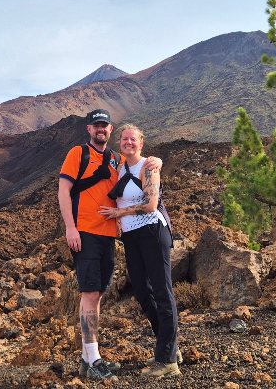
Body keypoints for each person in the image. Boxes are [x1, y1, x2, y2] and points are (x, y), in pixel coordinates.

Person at [57, 109, 161, 381]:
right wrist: (70, 228)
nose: (100, 129)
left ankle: (88, 358)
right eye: (96, 125)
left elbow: (139, 164)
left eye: (104, 125)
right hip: (85, 232)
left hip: (109, 234)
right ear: (89, 129)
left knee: (98, 293)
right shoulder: (78, 154)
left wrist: (157, 161)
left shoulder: (116, 159)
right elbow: (64, 191)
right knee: (90, 293)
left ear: (110, 130)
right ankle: (93, 360)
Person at [99, 123, 181, 378]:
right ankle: (169, 345)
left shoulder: (149, 166)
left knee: (162, 291)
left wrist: (119, 212)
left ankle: (167, 361)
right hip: (131, 236)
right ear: (119, 143)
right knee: (143, 292)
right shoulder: (120, 168)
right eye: (124, 139)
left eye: (133, 139)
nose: (128, 142)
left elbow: (151, 204)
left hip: (152, 232)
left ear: (141, 143)